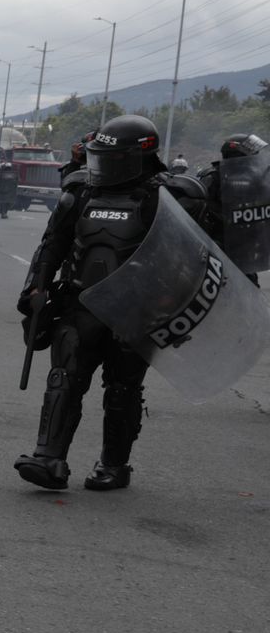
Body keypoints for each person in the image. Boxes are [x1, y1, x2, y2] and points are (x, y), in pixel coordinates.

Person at [14, 115, 208, 492]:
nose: (101, 166)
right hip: (80, 301)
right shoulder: (80, 191)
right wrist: (34, 289)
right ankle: (49, 458)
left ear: (138, 157)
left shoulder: (170, 198)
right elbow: (52, 244)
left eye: (111, 159)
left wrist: (177, 309)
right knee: (64, 376)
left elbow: (193, 260)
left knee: (122, 389)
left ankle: (114, 465)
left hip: (138, 311)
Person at [197, 132, 267, 286]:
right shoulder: (213, 177)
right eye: (253, 154)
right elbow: (200, 211)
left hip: (244, 246)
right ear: (237, 155)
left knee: (250, 287)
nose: (255, 157)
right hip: (217, 243)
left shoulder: (256, 178)